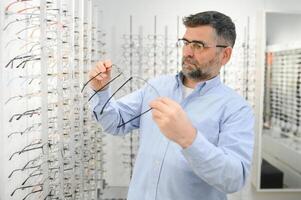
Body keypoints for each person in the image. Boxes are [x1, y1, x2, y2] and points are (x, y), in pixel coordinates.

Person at [88, 11, 254, 200]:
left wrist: (189, 138)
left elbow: (233, 179)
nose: (188, 52)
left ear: (225, 55)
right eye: (186, 43)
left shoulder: (236, 108)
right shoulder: (156, 86)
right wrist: (101, 91)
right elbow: (114, 122)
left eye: (199, 46)